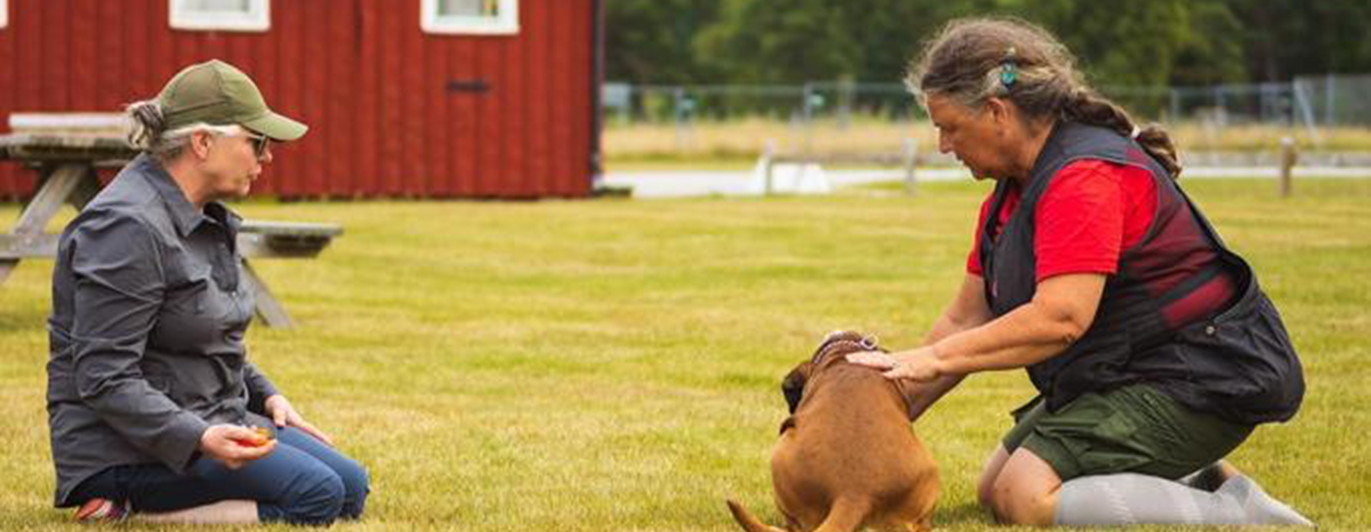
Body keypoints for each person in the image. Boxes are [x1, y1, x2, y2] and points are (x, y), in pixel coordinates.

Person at [845, 18, 1312, 527]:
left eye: (949, 127)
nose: (942, 145)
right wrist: (875, 420)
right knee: (992, 487)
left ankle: (1237, 513)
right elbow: (964, 320)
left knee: (1022, 496)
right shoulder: (1011, 193)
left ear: (998, 112)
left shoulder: (1082, 179)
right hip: (1133, 371)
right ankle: (1203, 476)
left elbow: (1060, 319)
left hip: (1202, 376)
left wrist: (932, 358)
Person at [46, 59, 368, 525]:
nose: (267, 157)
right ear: (202, 142)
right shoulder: (125, 227)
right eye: (257, 142)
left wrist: (267, 397)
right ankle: (127, 506)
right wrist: (198, 436)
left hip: (211, 416)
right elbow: (103, 375)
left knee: (349, 488)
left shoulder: (202, 216)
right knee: (315, 496)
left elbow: (205, 332)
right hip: (124, 450)